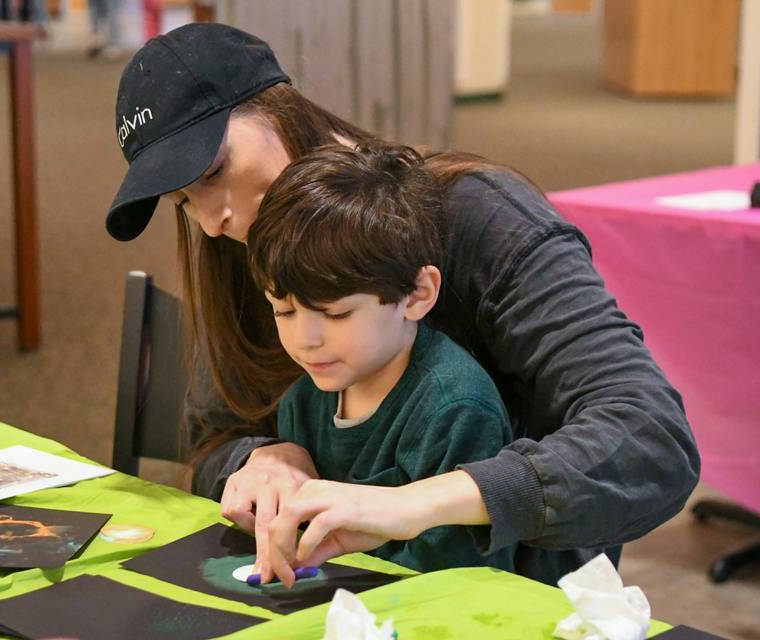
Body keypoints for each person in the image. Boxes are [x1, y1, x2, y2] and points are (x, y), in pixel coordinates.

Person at [105, 23, 700, 587]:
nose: (211, 221)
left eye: (213, 172)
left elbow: (650, 440)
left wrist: (417, 503)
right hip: (329, 587)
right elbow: (212, 432)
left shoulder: (481, 217)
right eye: (183, 201)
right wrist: (258, 459)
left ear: (279, 108)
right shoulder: (233, 246)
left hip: (509, 593)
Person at [245, 143, 516, 583]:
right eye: (283, 310)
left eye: (336, 314)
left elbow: (462, 584)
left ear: (416, 294)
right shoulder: (307, 396)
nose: (304, 339)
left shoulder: (455, 409)